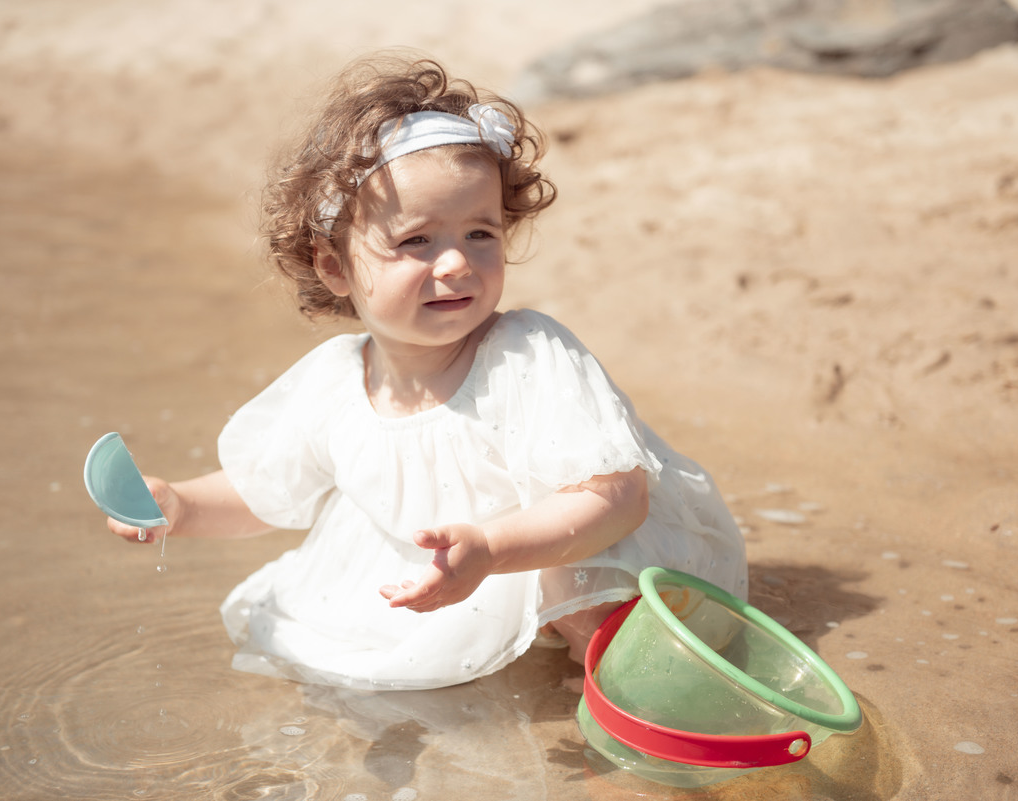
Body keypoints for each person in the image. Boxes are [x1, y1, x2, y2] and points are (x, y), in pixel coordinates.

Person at [104, 54, 746, 691]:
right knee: (358, 661)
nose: (456, 265)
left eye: (480, 234)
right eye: (417, 242)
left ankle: (610, 682)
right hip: (445, 561)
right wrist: (183, 506)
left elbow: (617, 499)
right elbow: (264, 490)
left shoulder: (525, 354)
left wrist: (494, 549)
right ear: (333, 267)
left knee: (586, 592)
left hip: (550, 540)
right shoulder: (333, 381)